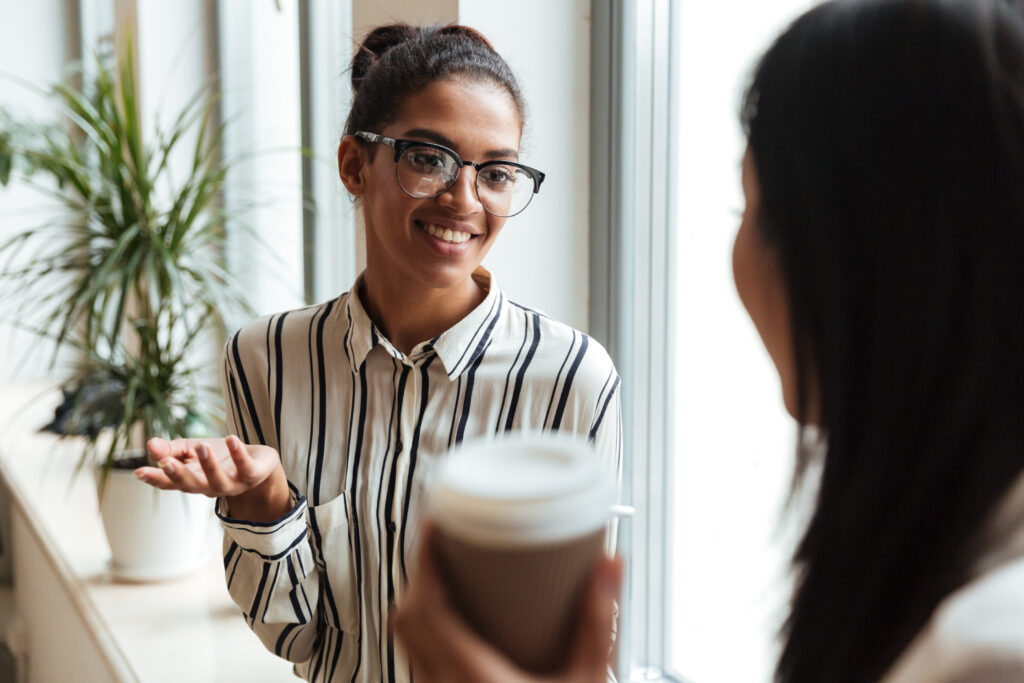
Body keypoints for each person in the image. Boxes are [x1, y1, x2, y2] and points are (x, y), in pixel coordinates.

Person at [393, 0, 1024, 681]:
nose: (462, 198)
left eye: (746, 205)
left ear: (848, 250)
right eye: (430, 158)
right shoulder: (937, 535)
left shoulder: (988, 647)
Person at [133, 24, 622, 683]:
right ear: (354, 165)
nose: (464, 198)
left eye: (497, 172)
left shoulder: (571, 379)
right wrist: (267, 500)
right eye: (429, 157)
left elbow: (578, 651)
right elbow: (295, 635)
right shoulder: (267, 358)